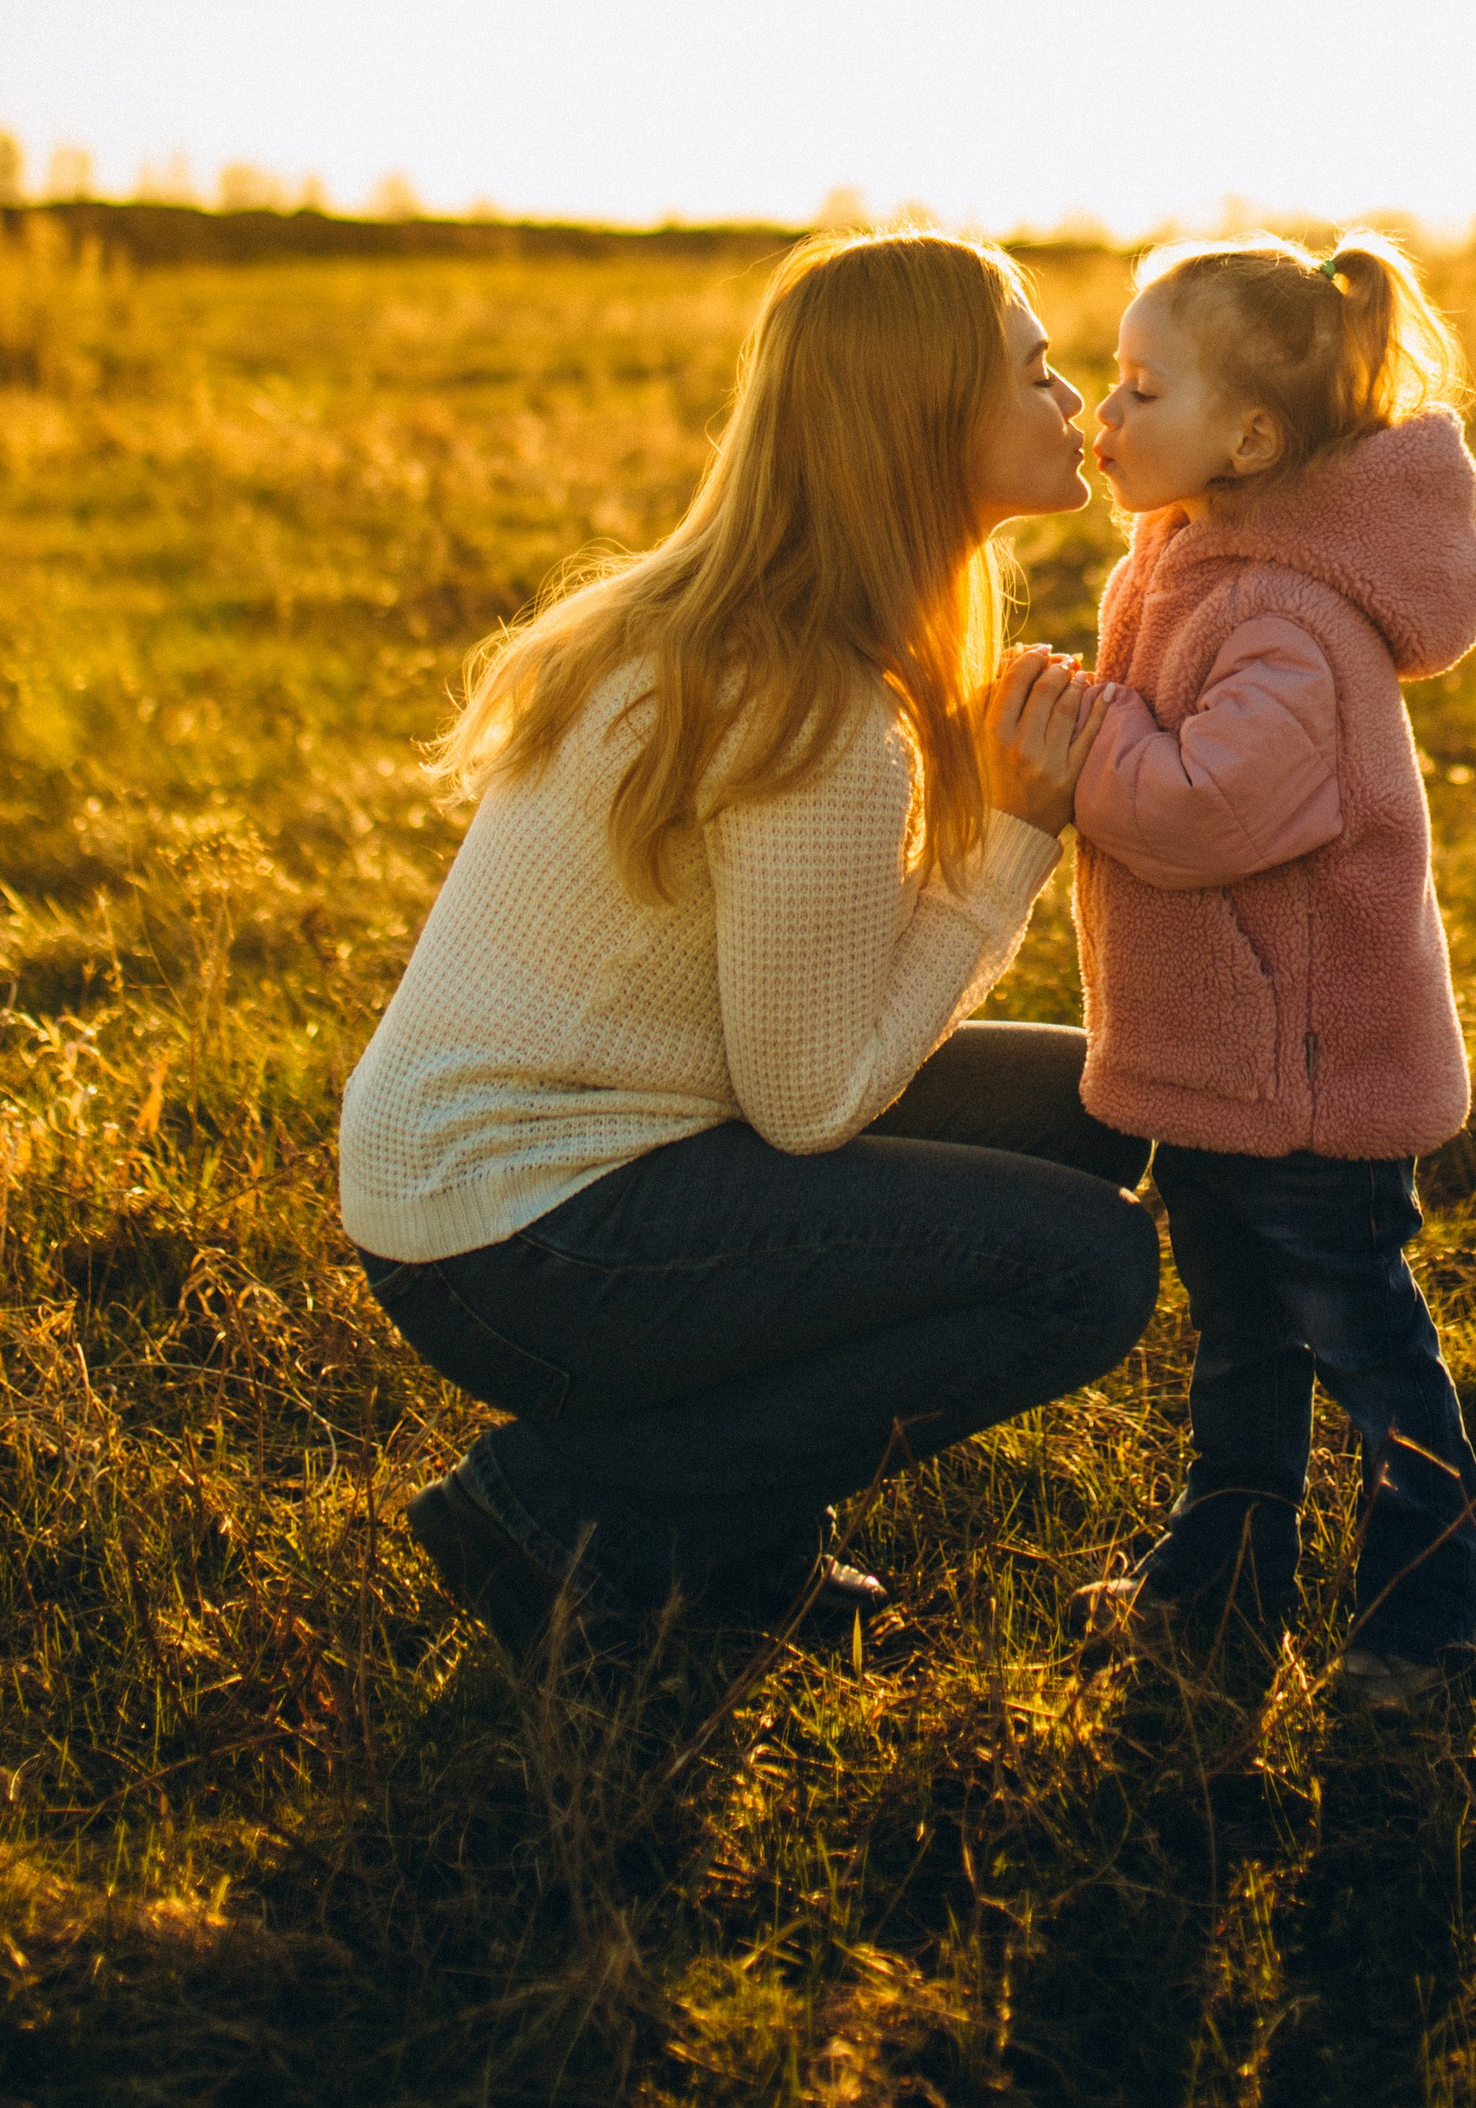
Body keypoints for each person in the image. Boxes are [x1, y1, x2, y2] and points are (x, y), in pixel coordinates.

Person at [341, 228, 1158, 1656]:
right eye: (1035, 372)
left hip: (541, 1176)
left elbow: (803, 1030)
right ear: (928, 417)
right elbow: (814, 1102)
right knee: (1088, 1268)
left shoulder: (756, 634)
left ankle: (732, 1548)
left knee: (1098, 1101)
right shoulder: (812, 713)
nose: (1072, 399)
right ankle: (567, 1513)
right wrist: (1013, 838)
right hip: (521, 1238)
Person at [1072, 229, 1476, 1712]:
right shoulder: (1194, 561)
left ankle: (1422, 1629)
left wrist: (1078, 746)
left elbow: (1204, 811)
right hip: (1225, 1074)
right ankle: (1215, 1602)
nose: (1099, 416)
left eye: (1139, 388)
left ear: (1250, 436)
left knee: (1367, 1356)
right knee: (1240, 1359)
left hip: (1308, 1085)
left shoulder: (1287, 616)